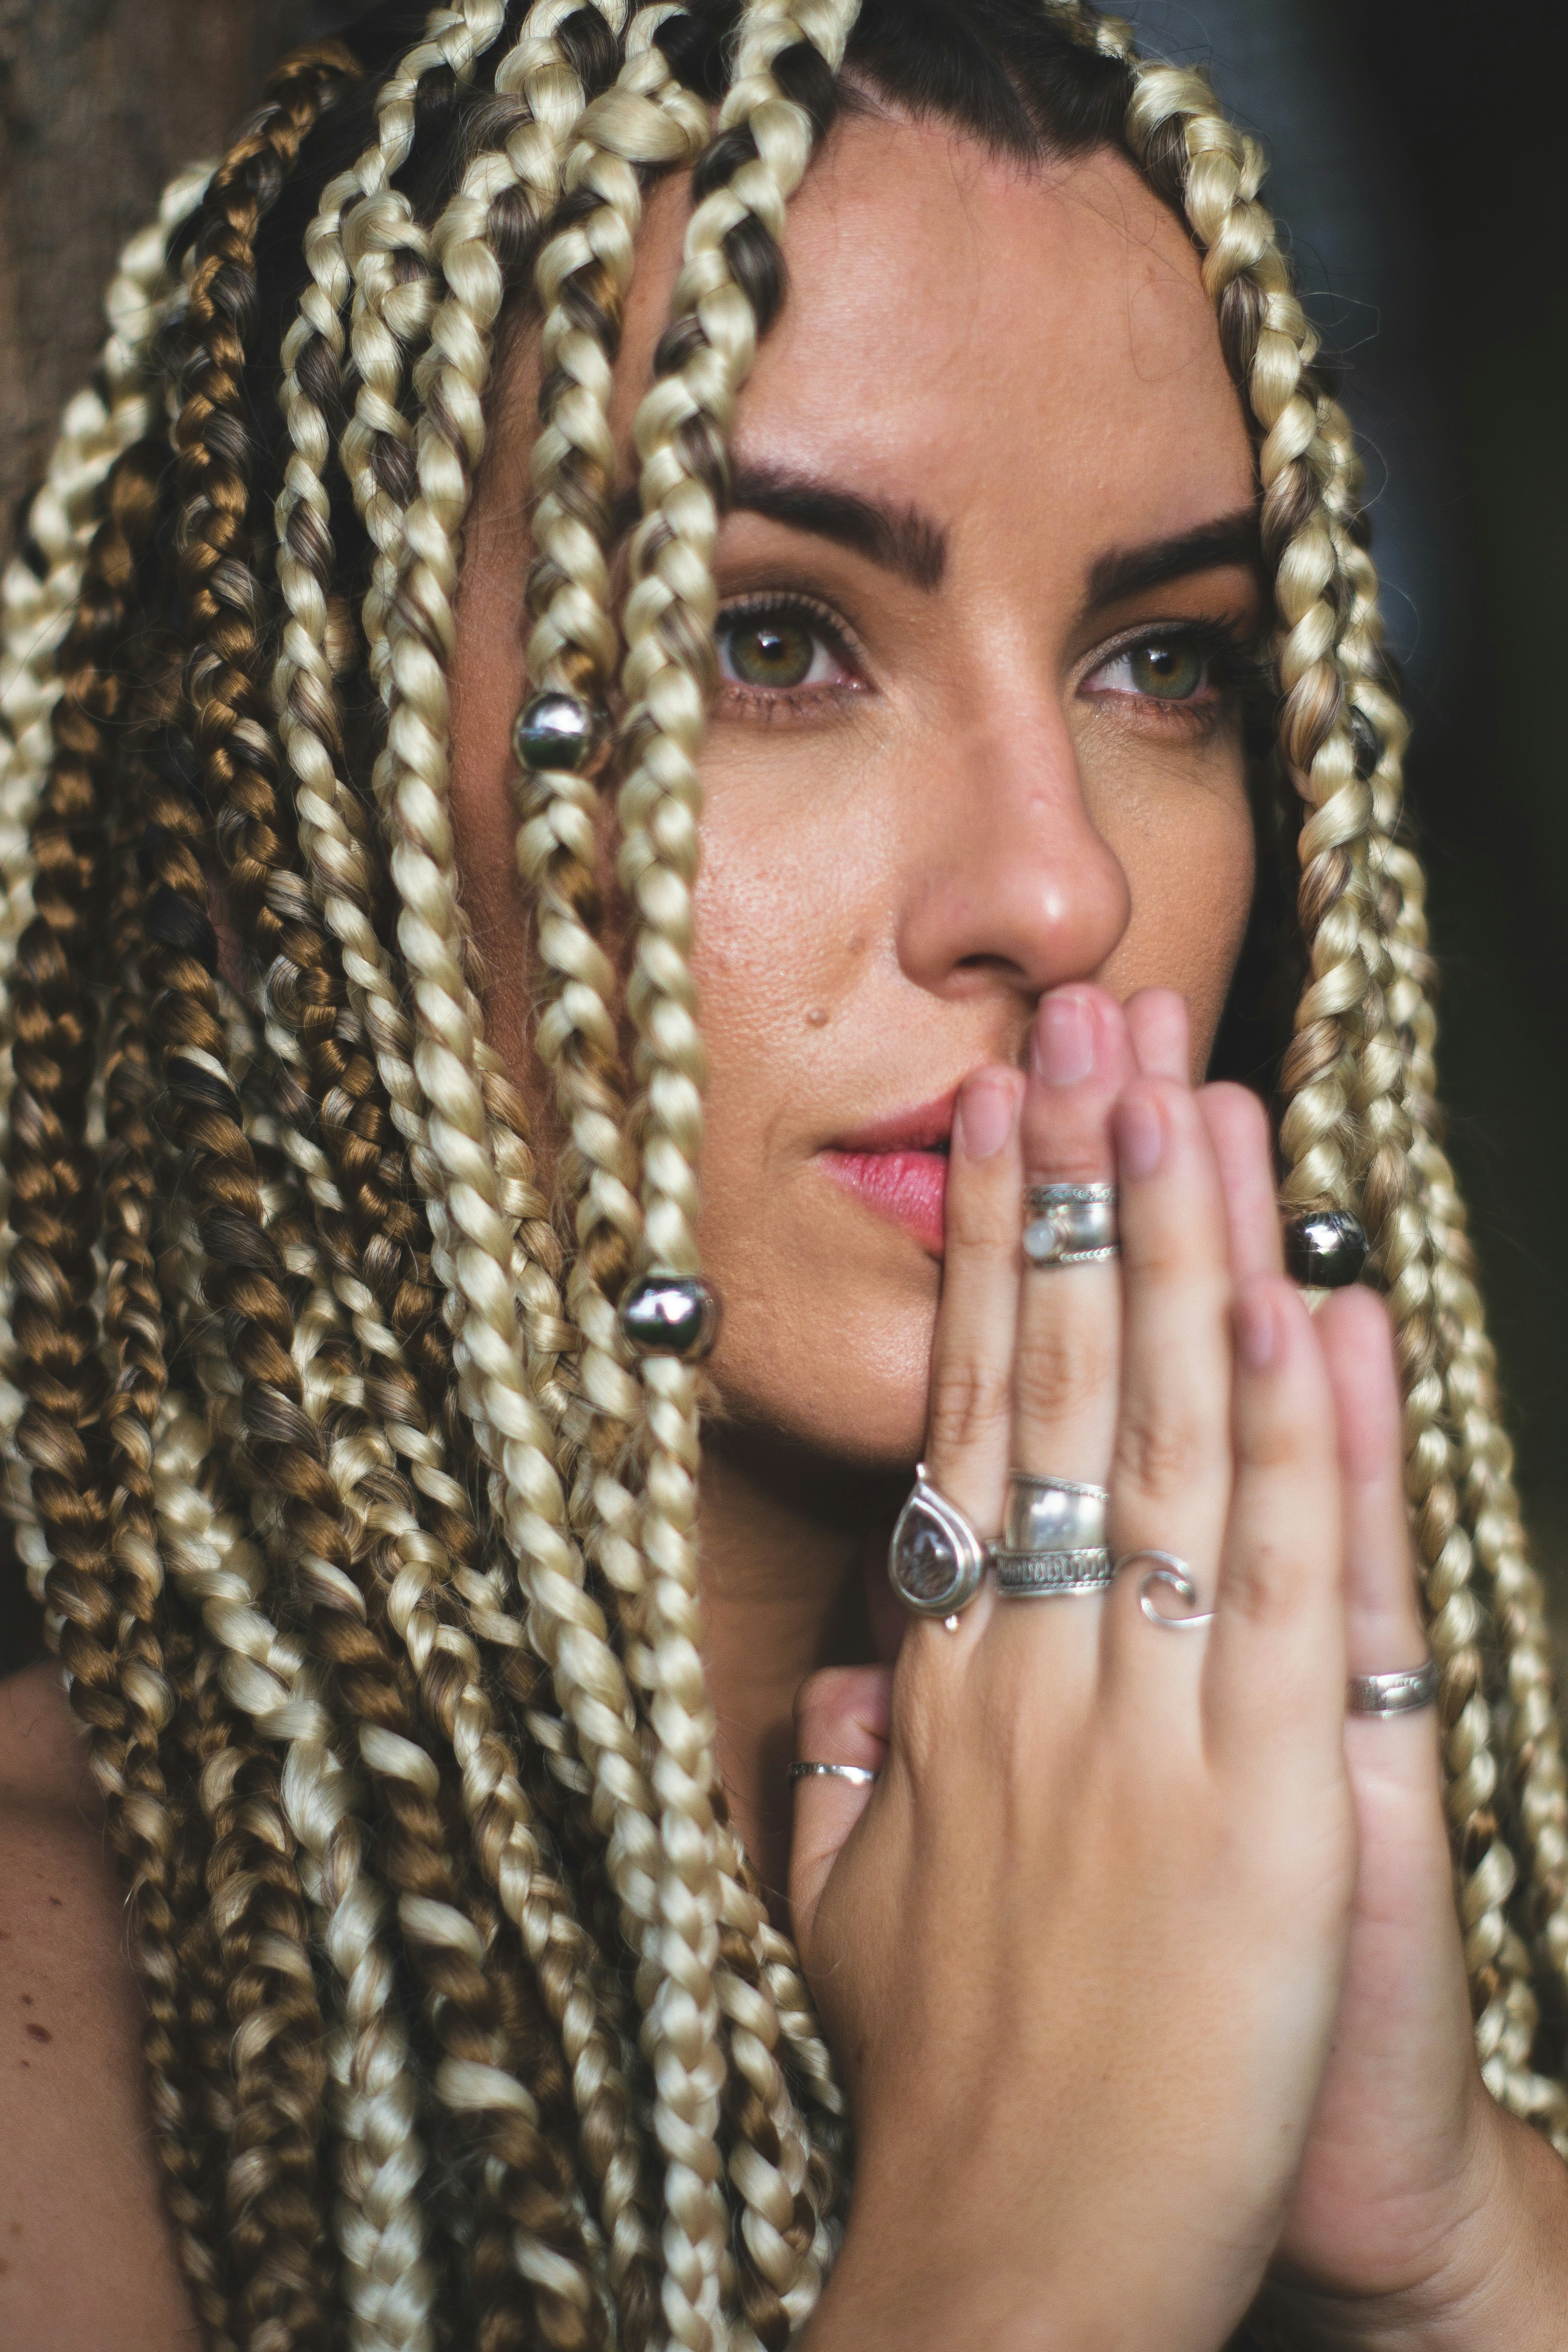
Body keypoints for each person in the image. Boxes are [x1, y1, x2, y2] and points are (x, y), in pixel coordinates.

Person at [3, 2, 1567, 2345]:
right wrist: (1043, 2233)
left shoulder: (1421, 1950)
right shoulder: (52, 2035)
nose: (1058, 897)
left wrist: (1457, 2249)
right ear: (297, 796)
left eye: (1167, 665)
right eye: (772, 638)